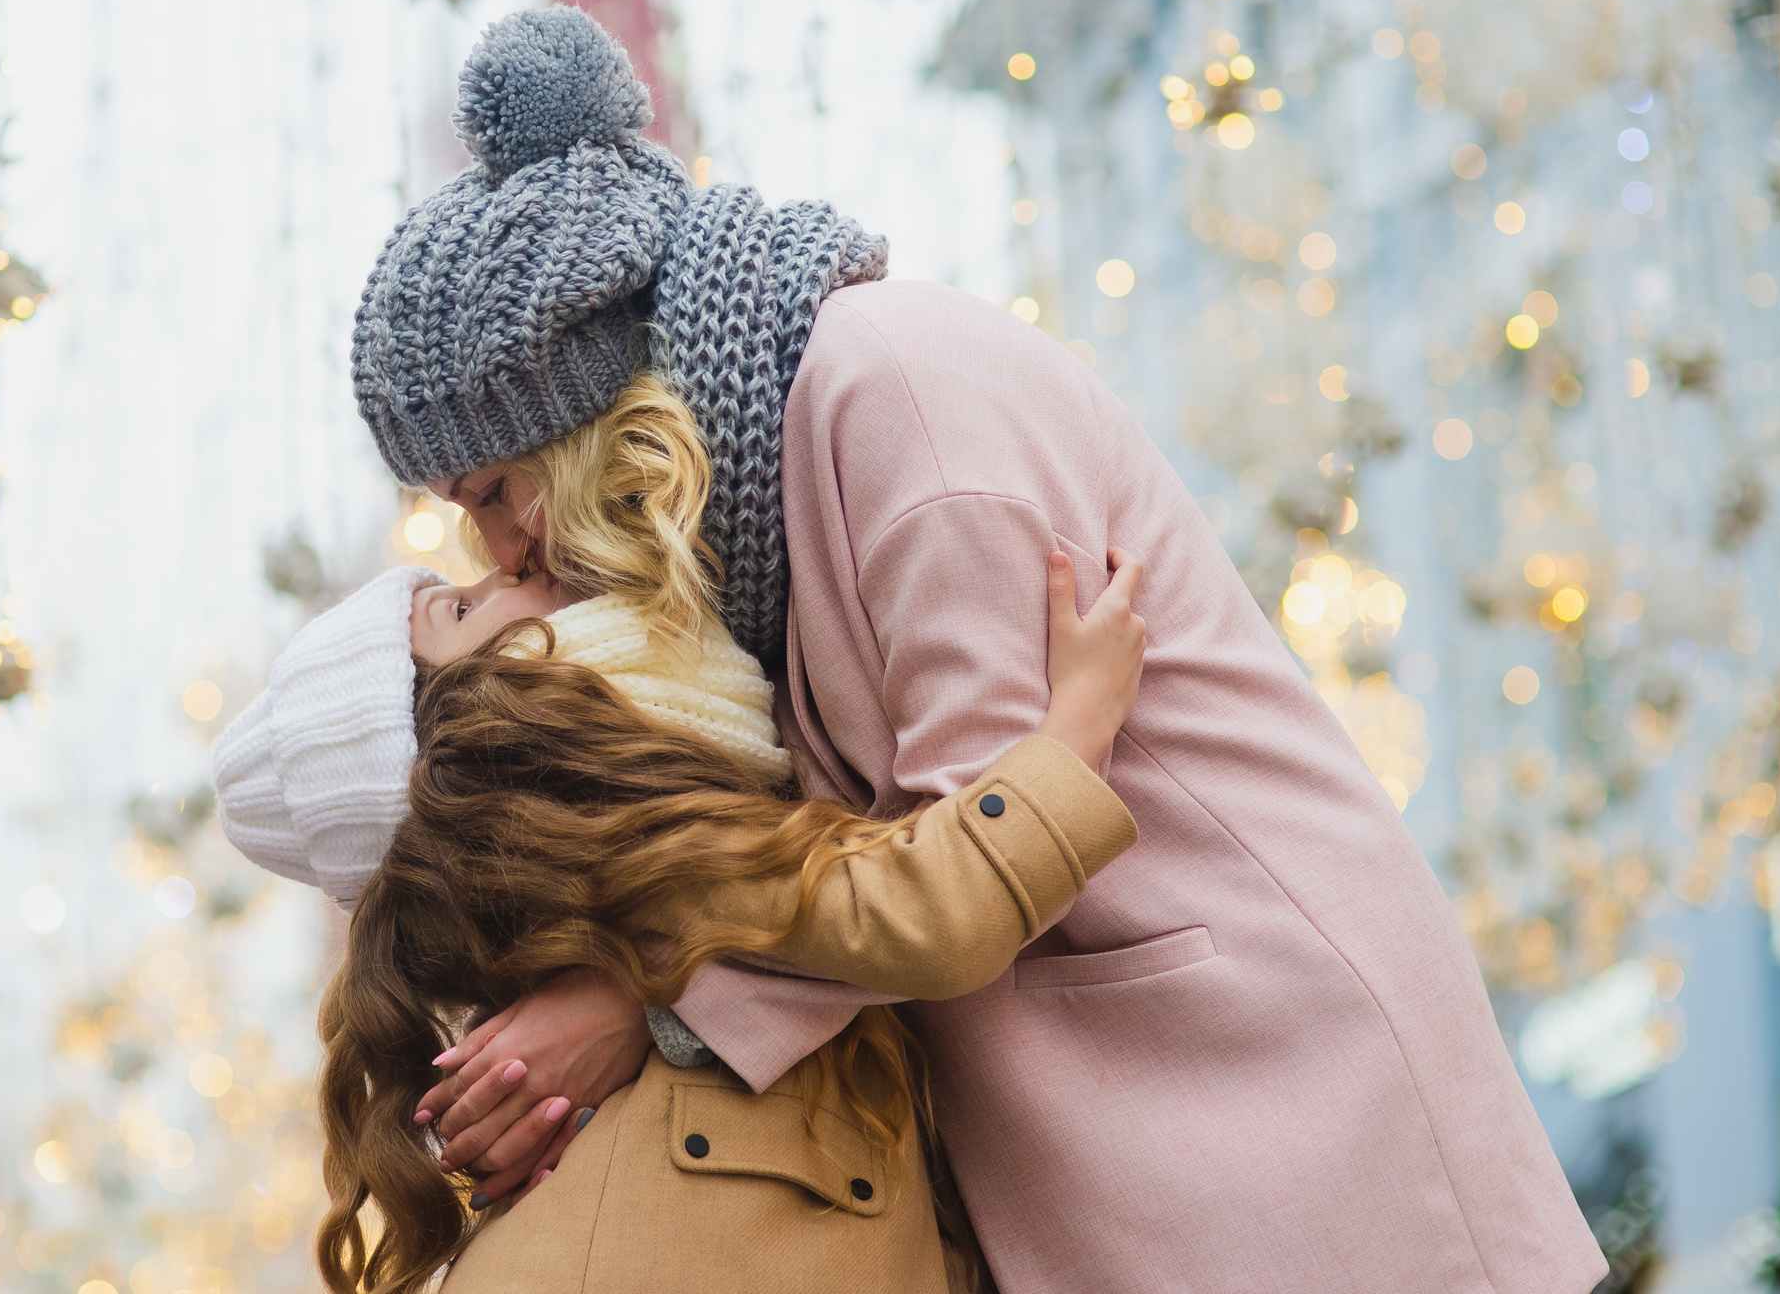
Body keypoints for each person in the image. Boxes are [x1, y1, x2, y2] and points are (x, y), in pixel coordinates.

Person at [331, 6, 1605, 1293]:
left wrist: (648, 1004)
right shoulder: (745, 513)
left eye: (492, 490)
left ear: (584, 423)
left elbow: (966, 839)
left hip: (1252, 1053)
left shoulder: (900, 402)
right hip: (1111, 1090)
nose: (495, 552)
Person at [213, 536, 1148, 1294]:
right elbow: (925, 912)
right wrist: (1078, 727)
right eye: (459, 610)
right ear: (459, 727)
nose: (510, 564)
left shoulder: (626, 862)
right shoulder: (640, 846)